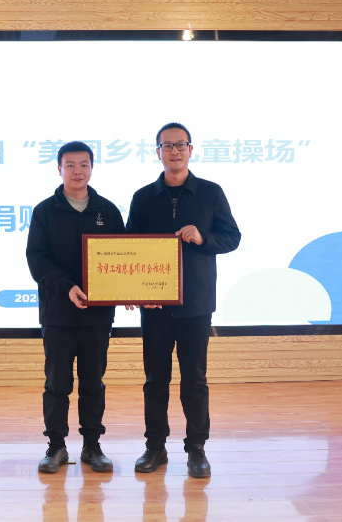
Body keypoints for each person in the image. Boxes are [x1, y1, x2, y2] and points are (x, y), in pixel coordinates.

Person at [126, 123, 241, 478]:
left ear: (191, 150)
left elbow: (232, 237)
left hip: (196, 304)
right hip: (155, 306)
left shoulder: (210, 192)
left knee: (194, 379)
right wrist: (135, 291)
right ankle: (155, 447)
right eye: (167, 146)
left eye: (180, 145)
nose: (174, 151)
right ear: (157, 152)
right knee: (155, 380)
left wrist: (203, 238)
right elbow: (128, 248)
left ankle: (196, 450)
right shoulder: (143, 197)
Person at [26, 141, 124, 473]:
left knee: (93, 382)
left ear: (92, 168)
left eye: (84, 164)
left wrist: (130, 289)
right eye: (70, 165)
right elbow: (37, 260)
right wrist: (67, 286)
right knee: (57, 384)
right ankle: (56, 446)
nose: (77, 171)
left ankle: (92, 446)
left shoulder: (108, 211)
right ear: (59, 169)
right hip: (58, 314)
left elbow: (124, 255)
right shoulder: (44, 211)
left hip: (97, 315)